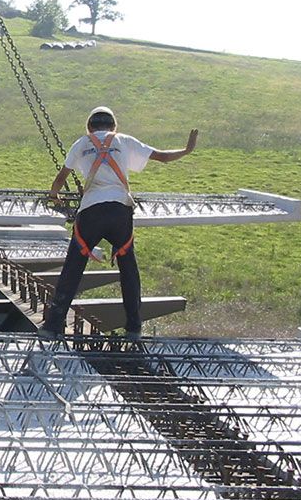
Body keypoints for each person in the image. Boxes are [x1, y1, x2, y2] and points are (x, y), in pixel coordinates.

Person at [41, 106, 198, 340]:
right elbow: (163, 157)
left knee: (72, 269)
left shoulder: (81, 144)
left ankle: (52, 327)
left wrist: (54, 196)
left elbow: (60, 178)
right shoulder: (123, 141)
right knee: (129, 270)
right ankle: (133, 328)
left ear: (89, 127)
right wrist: (187, 150)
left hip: (91, 212)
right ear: (114, 126)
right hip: (119, 211)